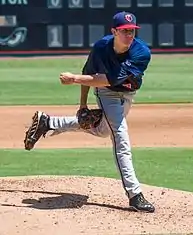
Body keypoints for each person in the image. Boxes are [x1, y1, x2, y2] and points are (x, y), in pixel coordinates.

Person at [24, 11, 155, 213]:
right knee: (120, 138)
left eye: (132, 31)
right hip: (107, 94)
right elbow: (89, 73)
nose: (129, 35)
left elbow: (110, 79)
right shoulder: (101, 47)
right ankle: (134, 194)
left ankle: (49, 122)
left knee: (103, 130)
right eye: (124, 31)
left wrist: (74, 78)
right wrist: (83, 105)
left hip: (126, 94)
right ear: (114, 31)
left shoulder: (141, 52)